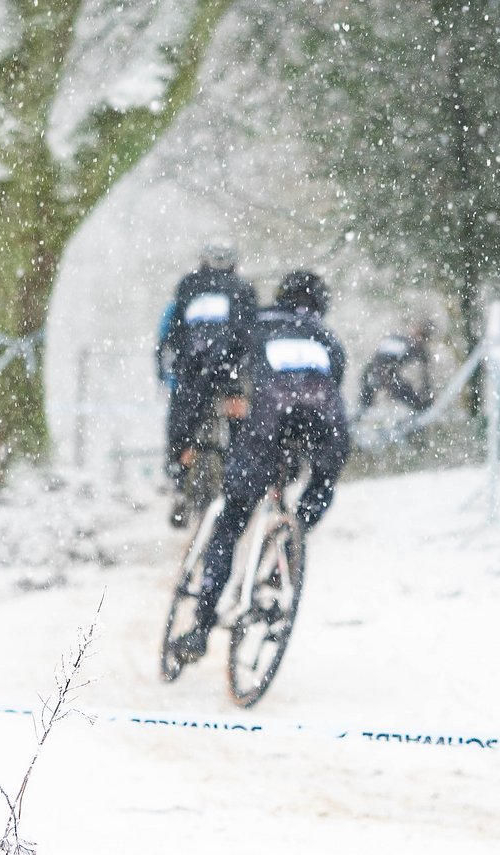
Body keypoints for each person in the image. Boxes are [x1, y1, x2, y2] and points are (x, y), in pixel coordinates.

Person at [173, 270, 350, 664]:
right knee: (319, 487)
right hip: (325, 427)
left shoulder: (256, 322)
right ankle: (289, 545)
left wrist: (190, 430)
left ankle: (201, 627)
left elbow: (214, 368)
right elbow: (331, 380)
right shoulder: (328, 338)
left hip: (268, 424)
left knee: (231, 520)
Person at [156, 242, 257, 527]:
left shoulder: (188, 286)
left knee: (182, 429)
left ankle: (179, 478)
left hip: (193, 369)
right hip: (231, 368)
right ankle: (243, 481)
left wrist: (169, 374)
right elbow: (252, 334)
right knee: (243, 425)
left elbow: (171, 335)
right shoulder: (243, 288)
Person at [356, 319, 437, 417]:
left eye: (425, 339)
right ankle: (362, 414)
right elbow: (379, 365)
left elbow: (425, 374)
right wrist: (389, 387)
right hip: (374, 373)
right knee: (398, 389)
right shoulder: (403, 345)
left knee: (405, 388)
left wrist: (428, 393)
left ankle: (420, 406)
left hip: (384, 373)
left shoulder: (418, 350)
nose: (421, 342)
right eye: (421, 337)